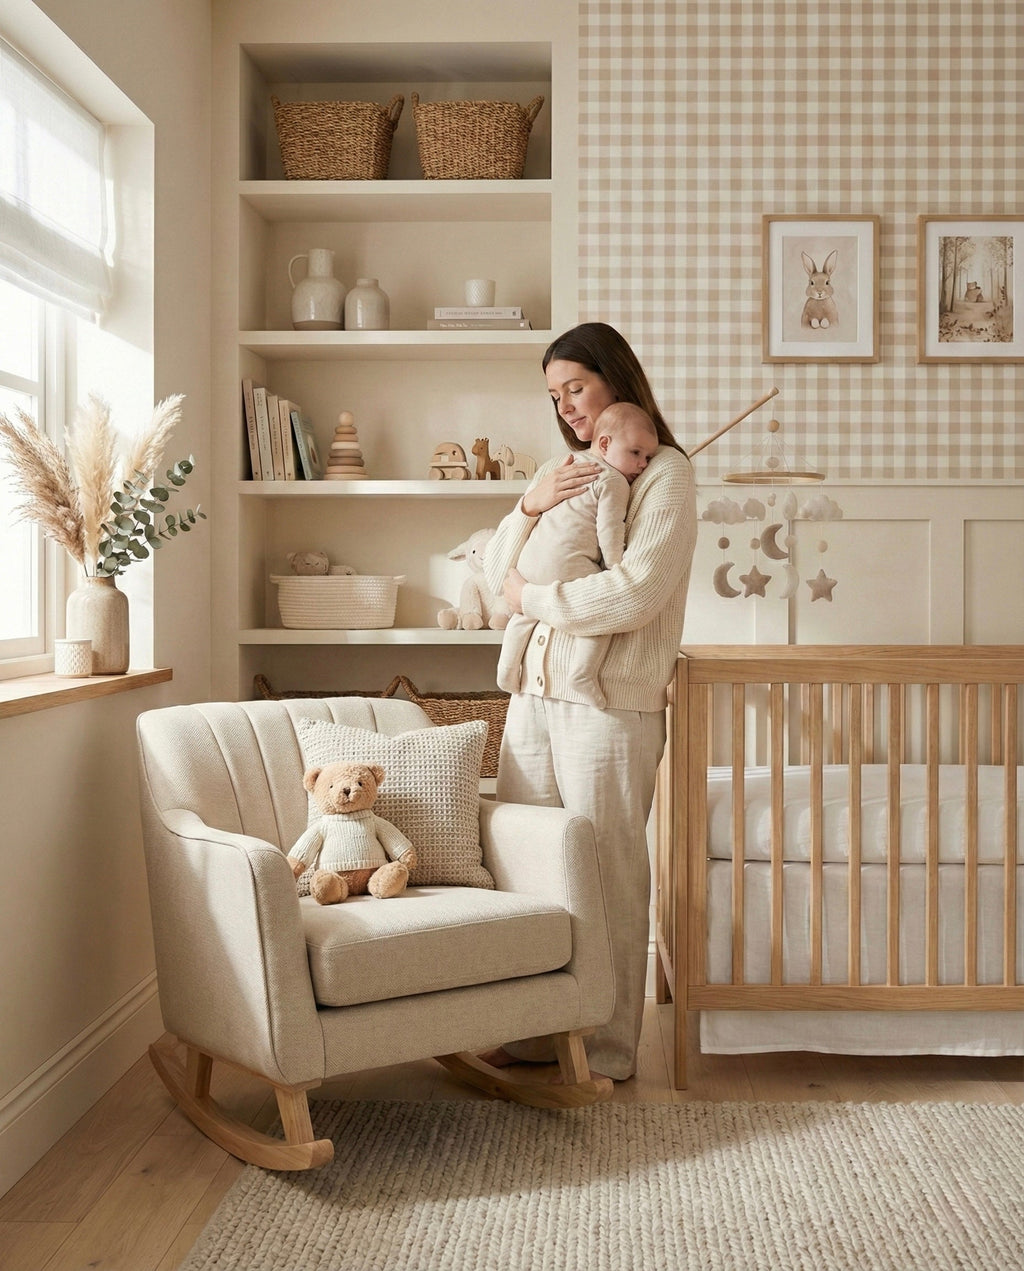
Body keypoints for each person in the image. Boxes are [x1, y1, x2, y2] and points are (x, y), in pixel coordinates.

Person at [482, 321, 697, 1081]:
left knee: (605, 867)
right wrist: (529, 506)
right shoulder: (558, 470)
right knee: (528, 862)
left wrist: (534, 596)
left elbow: (633, 591)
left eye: (576, 386)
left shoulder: (663, 471)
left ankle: (606, 1046)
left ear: (615, 377)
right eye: (555, 395)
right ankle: (537, 1029)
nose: (568, 407)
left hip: (609, 703)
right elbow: (492, 586)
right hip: (533, 695)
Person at [495, 401, 660, 709]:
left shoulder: (567, 466)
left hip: (530, 563)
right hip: (568, 564)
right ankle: (582, 674)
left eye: (649, 457)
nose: (643, 465)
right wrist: (615, 565)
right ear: (605, 443)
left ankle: (506, 669)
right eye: (636, 453)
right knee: (600, 609)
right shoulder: (613, 480)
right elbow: (609, 529)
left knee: (522, 615)